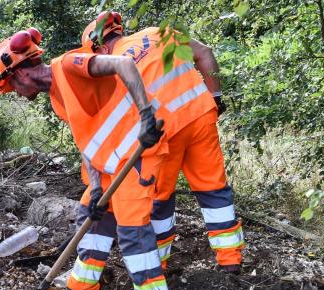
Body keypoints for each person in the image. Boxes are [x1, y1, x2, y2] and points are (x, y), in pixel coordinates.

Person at [0, 27, 172, 290]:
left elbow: (124, 64)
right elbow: (86, 140)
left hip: (139, 152)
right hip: (110, 163)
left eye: (12, 87)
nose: (18, 94)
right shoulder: (57, 100)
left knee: (131, 232)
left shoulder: (68, 65)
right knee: (89, 214)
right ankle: (84, 284)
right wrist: (96, 185)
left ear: (19, 74)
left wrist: (146, 114)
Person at [81, 12, 245, 273]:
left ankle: (159, 263)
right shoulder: (158, 33)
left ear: (99, 47)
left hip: (164, 131)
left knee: (160, 199)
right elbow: (205, 53)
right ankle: (230, 261)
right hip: (201, 116)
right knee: (213, 188)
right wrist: (215, 96)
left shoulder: (114, 65)